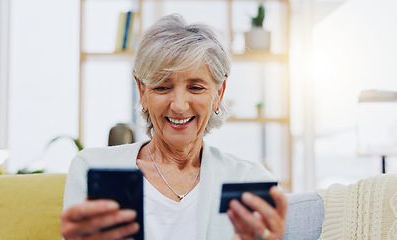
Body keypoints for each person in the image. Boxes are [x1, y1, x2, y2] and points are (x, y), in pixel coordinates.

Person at [60, 13, 287, 240]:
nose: (178, 106)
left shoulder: (249, 179)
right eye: (162, 87)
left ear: (219, 94)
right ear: (142, 93)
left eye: (196, 87)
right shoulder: (90, 167)